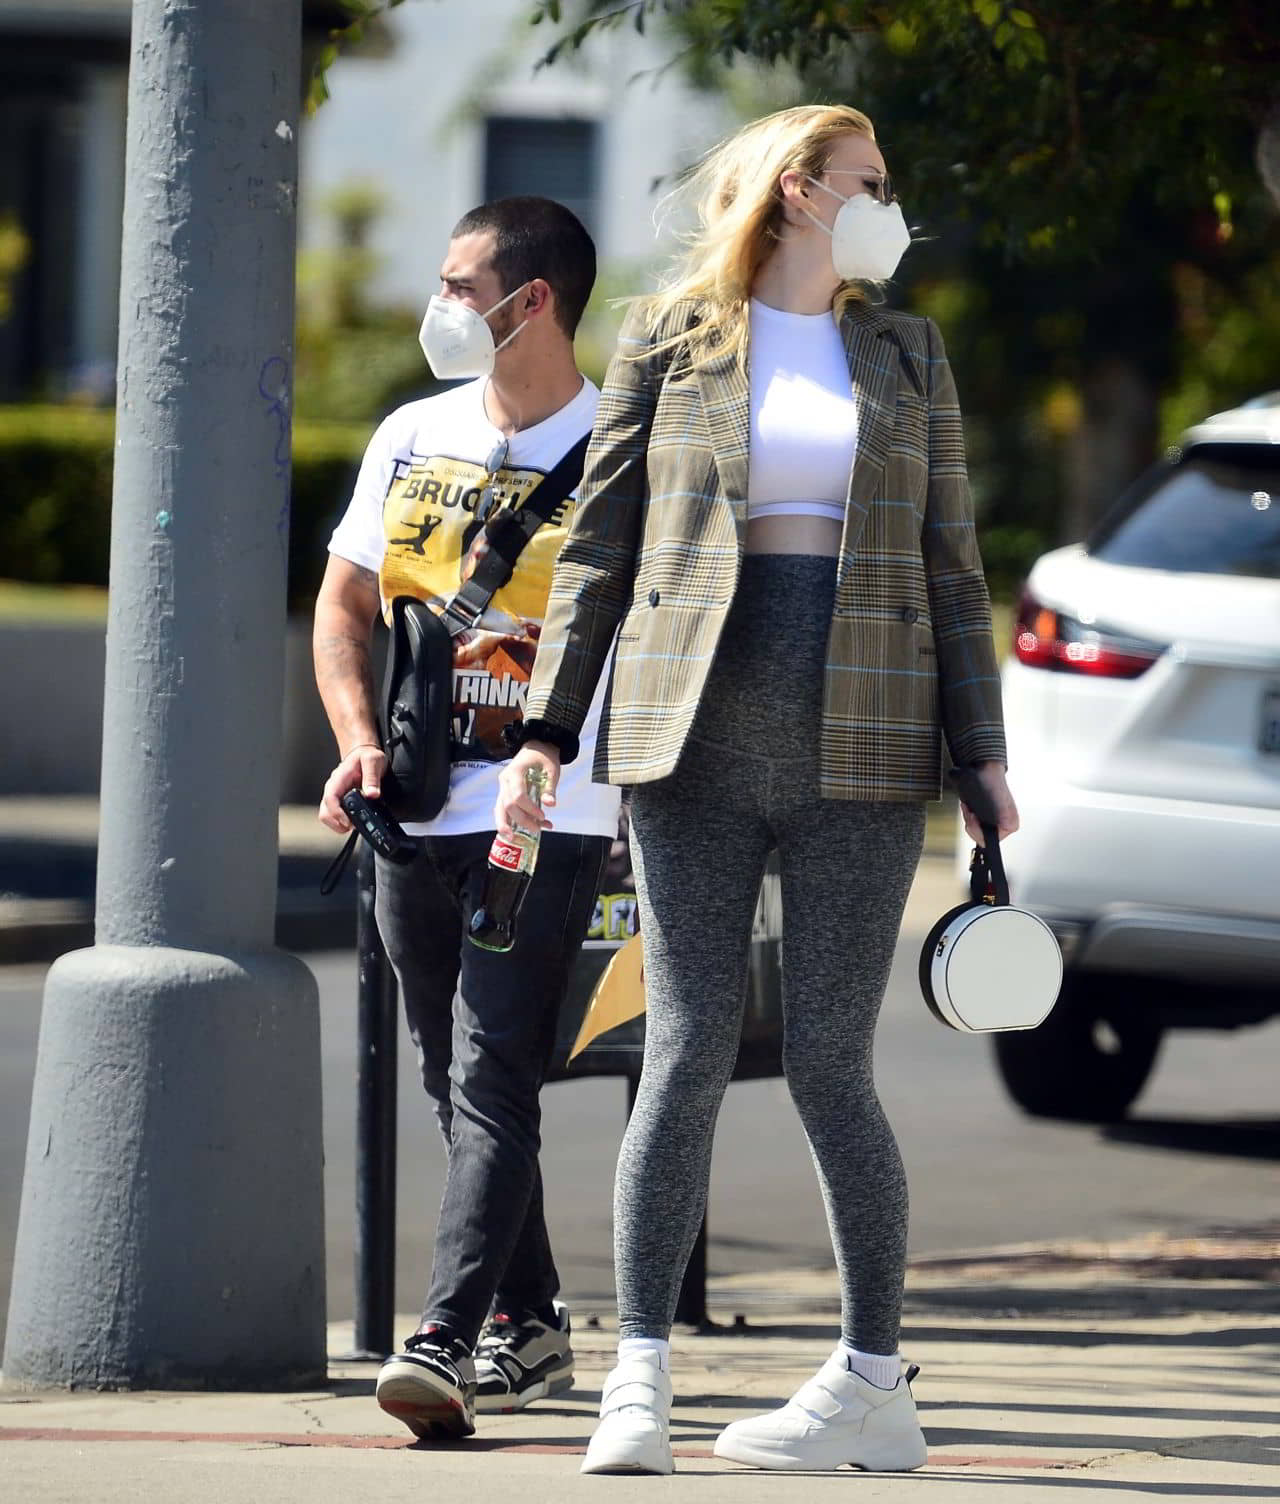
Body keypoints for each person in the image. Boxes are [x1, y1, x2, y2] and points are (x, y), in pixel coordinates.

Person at [496, 105, 1018, 1475]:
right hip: (694, 737)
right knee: (686, 1051)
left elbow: (952, 569)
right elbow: (598, 550)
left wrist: (984, 760)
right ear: (799, 191)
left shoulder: (907, 348)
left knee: (837, 1070)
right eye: (869, 184)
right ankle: (640, 1385)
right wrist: (549, 731)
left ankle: (871, 1382)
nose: (887, 206)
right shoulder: (671, 342)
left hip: (870, 734)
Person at [313, 196, 619, 1441]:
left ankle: (442, 1337)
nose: (438, 304)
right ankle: (531, 1319)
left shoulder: (619, 450)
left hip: (543, 808)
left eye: (457, 282)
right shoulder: (409, 433)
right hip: (410, 805)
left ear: (527, 298)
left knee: (492, 1067)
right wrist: (357, 744)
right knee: (452, 1072)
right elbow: (344, 610)